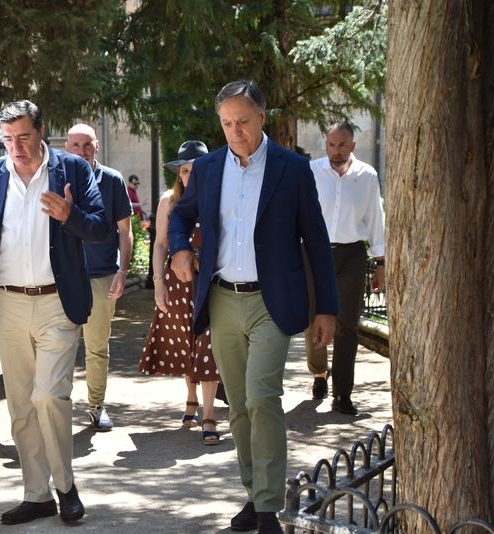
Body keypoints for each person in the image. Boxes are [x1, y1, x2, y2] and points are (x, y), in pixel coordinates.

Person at [168, 80, 338, 534]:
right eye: (226, 123)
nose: (235, 131)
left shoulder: (292, 169)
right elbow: (181, 214)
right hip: (222, 298)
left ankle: (268, 506)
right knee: (239, 404)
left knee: (263, 397)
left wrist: (326, 308)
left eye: (243, 121)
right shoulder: (207, 168)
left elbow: (316, 240)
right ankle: (254, 493)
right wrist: (179, 248)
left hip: (272, 301)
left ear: (262, 117)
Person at [0, 100, 107, 527]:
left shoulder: (72, 170)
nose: (16, 147)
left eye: (24, 137)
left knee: (49, 395)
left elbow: (100, 226)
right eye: (8, 139)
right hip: (7, 301)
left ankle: (65, 487)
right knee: (21, 404)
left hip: (56, 301)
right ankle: (36, 494)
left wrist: (70, 216)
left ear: (41, 132)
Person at [139, 140, 222, 445]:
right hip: (177, 283)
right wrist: (158, 283)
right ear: (179, 174)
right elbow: (160, 244)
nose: (190, 176)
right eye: (185, 171)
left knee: (208, 345)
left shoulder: (218, 198)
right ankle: (191, 398)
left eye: (195, 170)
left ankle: (209, 414)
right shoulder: (169, 201)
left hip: (210, 282)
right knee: (185, 344)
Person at [305, 121, 385, 415]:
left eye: (341, 145)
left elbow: (375, 217)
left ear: (353, 145)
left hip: (352, 254)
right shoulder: (311, 171)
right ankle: (319, 373)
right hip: (315, 252)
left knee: (347, 324)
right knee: (312, 317)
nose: (335, 151)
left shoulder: (367, 176)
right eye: (330, 145)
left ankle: (342, 393)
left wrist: (381, 262)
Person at [65, 123, 133, 431]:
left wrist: (122, 271)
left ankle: (95, 405)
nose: (82, 151)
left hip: (101, 274)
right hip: (62, 276)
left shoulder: (113, 179)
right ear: (67, 147)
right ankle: (56, 408)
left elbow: (125, 231)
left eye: (87, 145)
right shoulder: (56, 177)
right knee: (58, 347)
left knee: (96, 348)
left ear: (97, 146)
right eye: (76, 145)